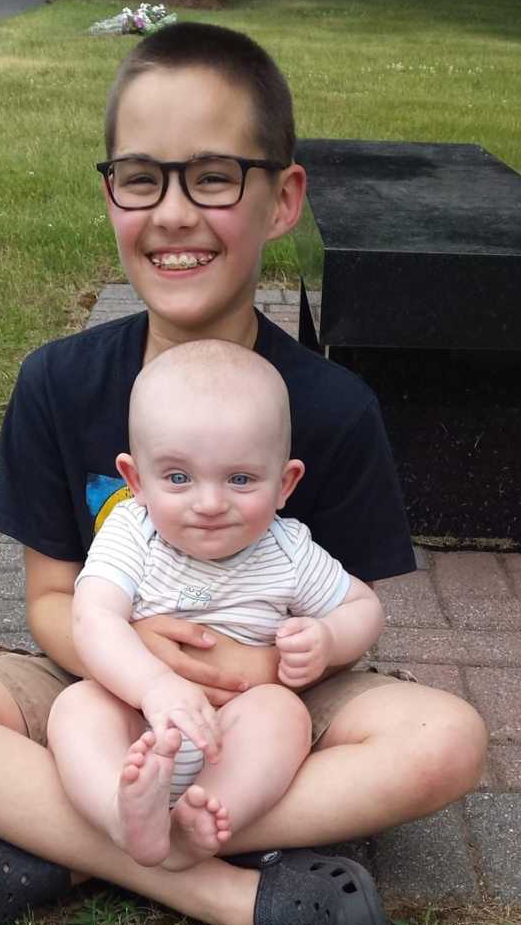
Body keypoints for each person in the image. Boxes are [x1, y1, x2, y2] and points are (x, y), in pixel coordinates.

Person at [0, 22, 487, 925]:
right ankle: (239, 889)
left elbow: (349, 611)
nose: (175, 213)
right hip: (104, 682)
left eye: (215, 177)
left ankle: (63, 848)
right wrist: (143, 667)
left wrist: (267, 666)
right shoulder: (59, 384)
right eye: (142, 178)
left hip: (278, 698)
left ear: (283, 198)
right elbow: (50, 605)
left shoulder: (332, 407)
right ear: (110, 192)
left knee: (447, 741)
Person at [47, 340, 385, 871]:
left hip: (233, 733)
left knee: (283, 715)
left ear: (285, 483)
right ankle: (122, 813)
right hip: (137, 721)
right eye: (178, 478)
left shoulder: (289, 549)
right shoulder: (130, 534)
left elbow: (364, 606)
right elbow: (93, 617)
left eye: (241, 479)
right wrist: (154, 686)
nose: (209, 504)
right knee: (78, 708)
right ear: (135, 480)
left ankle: (206, 817)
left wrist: (328, 639)